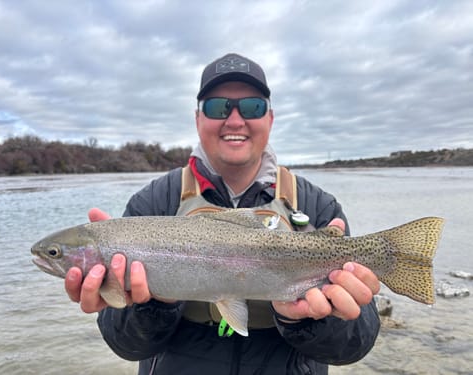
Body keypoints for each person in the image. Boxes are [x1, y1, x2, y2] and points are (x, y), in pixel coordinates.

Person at [65, 53, 381, 374]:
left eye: (252, 107)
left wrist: (311, 321)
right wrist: (152, 305)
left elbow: (355, 345)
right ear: (198, 118)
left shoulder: (318, 205)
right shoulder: (154, 201)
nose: (234, 120)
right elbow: (127, 346)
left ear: (269, 118)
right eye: (218, 107)